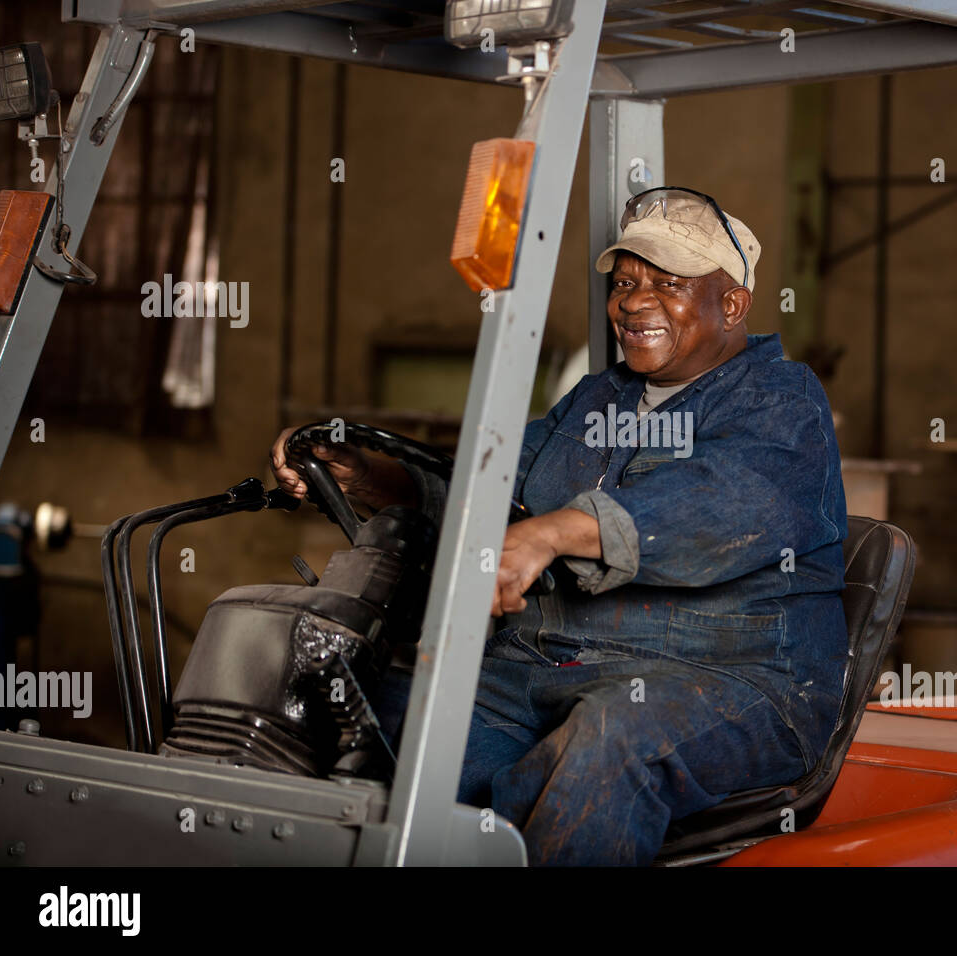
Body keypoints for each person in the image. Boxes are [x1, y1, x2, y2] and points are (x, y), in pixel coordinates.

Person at [270, 187, 848, 865]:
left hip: (735, 682)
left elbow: (716, 506)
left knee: (610, 741)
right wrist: (367, 475)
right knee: (356, 707)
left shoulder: (783, 402)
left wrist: (551, 534)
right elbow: (494, 487)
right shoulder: (598, 399)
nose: (633, 301)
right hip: (546, 669)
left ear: (731, 304)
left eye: (666, 283)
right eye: (626, 282)